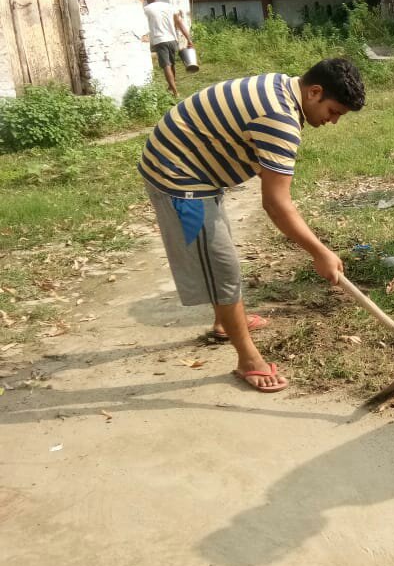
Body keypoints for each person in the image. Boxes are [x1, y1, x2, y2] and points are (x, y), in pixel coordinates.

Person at [138, 58, 366, 392]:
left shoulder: (284, 88)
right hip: (178, 175)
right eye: (334, 112)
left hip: (196, 164)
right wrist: (319, 252)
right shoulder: (280, 118)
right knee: (222, 266)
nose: (332, 122)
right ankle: (248, 360)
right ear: (314, 92)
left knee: (221, 253)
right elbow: (275, 203)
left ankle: (224, 322)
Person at [143, 0, 194, 97]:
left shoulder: (146, 9)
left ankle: (175, 92)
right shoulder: (170, 6)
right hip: (172, 40)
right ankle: (171, 87)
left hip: (159, 40)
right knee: (172, 64)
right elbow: (179, 23)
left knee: (166, 66)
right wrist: (189, 40)